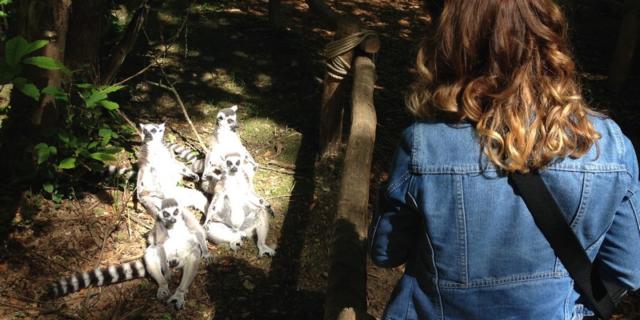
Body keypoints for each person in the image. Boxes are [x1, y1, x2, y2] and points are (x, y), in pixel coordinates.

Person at [368, 0, 640, 319]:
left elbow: (386, 252)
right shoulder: (607, 145)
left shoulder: (424, 145)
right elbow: (627, 271)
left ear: (453, 44)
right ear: (549, 40)